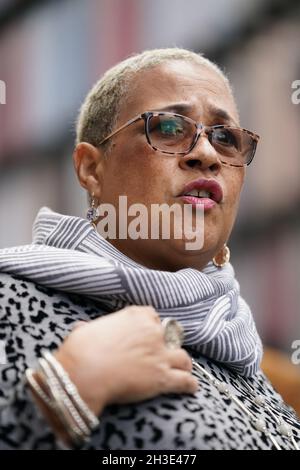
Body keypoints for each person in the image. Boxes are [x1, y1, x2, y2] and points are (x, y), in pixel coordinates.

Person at [0, 48, 299, 450]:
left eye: (226, 138)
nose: (207, 154)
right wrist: (66, 390)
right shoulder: (10, 303)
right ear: (91, 168)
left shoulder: (256, 367)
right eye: (170, 127)